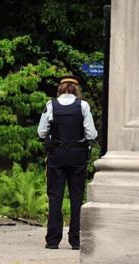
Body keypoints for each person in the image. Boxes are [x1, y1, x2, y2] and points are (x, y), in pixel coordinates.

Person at [37, 75, 97, 250]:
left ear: (60, 89)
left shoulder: (50, 105)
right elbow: (92, 134)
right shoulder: (83, 106)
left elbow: (41, 133)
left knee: (55, 197)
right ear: (75, 89)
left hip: (56, 154)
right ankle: (75, 240)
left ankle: (53, 241)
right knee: (76, 197)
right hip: (77, 155)